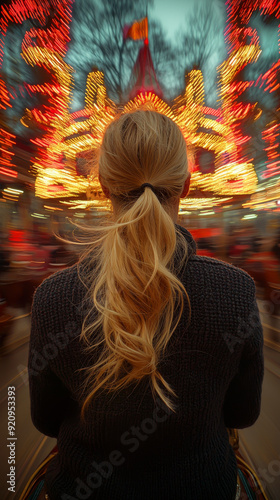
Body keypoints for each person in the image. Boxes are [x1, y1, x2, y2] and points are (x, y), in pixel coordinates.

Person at [28, 109, 264, 500]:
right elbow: (243, 415)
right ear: (186, 185)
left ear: (103, 184)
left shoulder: (51, 298)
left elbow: (45, 420)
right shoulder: (236, 291)